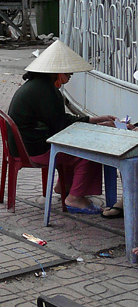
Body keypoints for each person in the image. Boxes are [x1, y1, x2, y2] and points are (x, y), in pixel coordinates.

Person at [8, 40, 116, 214]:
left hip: (25, 145)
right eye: (68, 72)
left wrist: (95, 120)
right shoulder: (44, 90)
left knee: (77, 144)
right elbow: (61, 125)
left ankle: (63, 186)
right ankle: (75, 198)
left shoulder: (38, 85)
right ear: (57, 71)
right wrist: (96, 122)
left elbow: (59, 120)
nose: (70, 75)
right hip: (34, 149)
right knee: (89, 153)